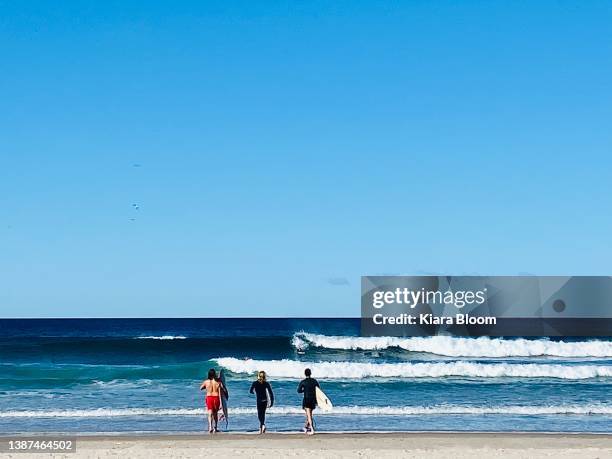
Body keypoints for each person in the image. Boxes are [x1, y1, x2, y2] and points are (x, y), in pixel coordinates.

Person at [200, 368, 226, 433]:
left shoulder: (206, 382)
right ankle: (215, 428)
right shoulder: (218, 382)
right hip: (216, 398)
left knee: (209, 412)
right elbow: (224, 389)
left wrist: (206, 387)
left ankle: (210, 427)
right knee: (215, 414)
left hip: (209, 398)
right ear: (214, 374)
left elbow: (201, 388)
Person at [297, 368, 319, 435]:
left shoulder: (303, 381)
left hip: (306, 399)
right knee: (309, 414)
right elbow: (318, 390)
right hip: (313, 399)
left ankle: (312, 429)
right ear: (310, 373)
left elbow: (298, 391)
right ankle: (306, 427)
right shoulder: (314, 381)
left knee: (309, 415)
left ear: (305, 374)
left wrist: (304, 390)